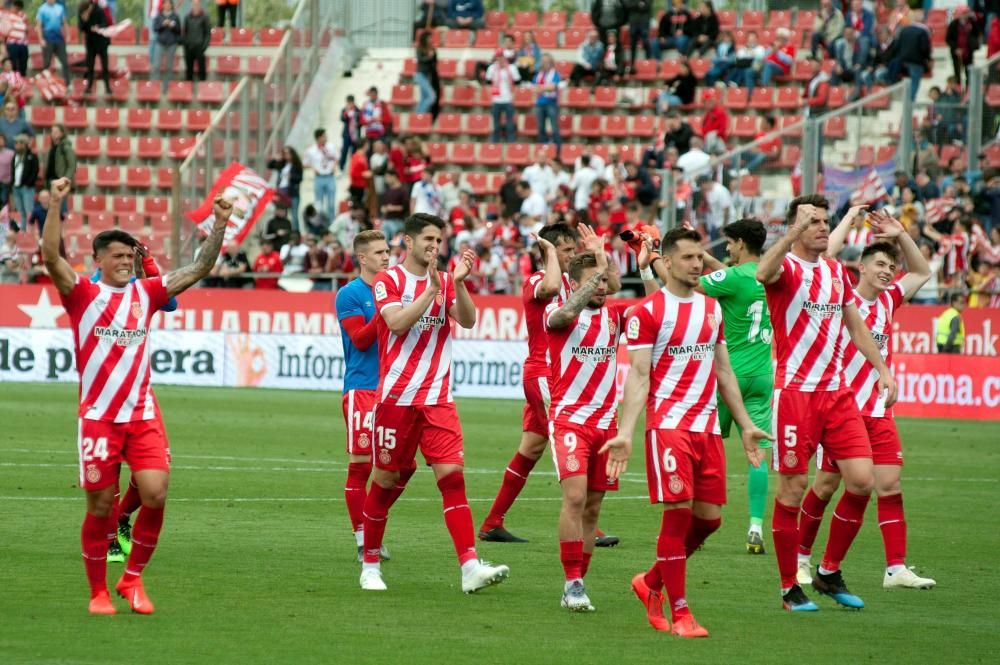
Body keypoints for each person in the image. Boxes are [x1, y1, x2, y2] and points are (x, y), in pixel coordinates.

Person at [41, 176, 233, 615]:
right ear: (100, 260)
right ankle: (97, 592)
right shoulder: (82, 294)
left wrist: (218, 225)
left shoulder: (145, 294)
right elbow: (51, 256)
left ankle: (131, 579)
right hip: (98, 418)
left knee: (156, 493)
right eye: (119, 256)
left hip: (142, 413)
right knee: (102, 505)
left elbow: (198, 269)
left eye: (131, 255)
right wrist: (55, 203)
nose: (128, 262)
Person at [602, 227, 771, 636]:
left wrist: (747, 426)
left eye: (701, 257)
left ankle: (650, 582)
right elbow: (639, 376)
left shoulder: (711, 310)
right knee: (677, 517)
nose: (698, 264)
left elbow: (724, 370)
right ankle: (681, 612)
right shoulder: (646, 313)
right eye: (690, 258)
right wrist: (626, 430)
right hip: (669, 427)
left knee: (709, 521)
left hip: (707, 428)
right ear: (669, 262)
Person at [756, 195, 898, 612]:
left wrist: (883, 371)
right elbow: (763, 270)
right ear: (796, 226)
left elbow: (856, 327)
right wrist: (792, 230)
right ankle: (788, 588)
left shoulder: (837, 272)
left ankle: (829, 571)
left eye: (824, 221)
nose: (822, 227)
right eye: (813, 222)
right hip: (795, 394)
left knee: (861, 481)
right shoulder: (786, 270)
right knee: (793, 490)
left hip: (837, 395)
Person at [359, 213, 510, 592]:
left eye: (439, 240)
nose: (434, 246)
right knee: (386, 479)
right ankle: (371, 564)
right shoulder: (388, 280)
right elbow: (396, 323)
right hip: (396, 399)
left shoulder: (444, 281)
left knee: (452, 477)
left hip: (438, 398)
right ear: (407, 242)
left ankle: (469, 566)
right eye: (427, 239)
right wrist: (430, 290)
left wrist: (456, 285)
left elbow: (469, 320)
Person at [795, 208, 936, 590]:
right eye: (880, 264)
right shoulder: (838, 296)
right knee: (825, 486)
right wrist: (847, 222)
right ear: (861, 267)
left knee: (888, 484)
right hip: (843, 410)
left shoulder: (890, 299)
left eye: (891, 266)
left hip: (878, 410)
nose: (889, 271)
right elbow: (819, 259)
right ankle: (801, 557)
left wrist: (900, 233)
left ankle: (895, 569)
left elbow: (923, 272)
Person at [478, 224, 578, 542]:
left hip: (558, 374)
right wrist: (549, 253)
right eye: (566, 250)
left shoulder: (570, 284)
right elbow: (549, 288)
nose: (572, 255)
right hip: (544, 373)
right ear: (548, 250)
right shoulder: (538, 280)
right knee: (570, 441)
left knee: (531, 448)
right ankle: (586, 522)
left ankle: (493, 522)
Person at [694, 219, 774, 554]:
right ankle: (756, 525)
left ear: (740, 243)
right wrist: (703, 254)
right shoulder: (771, 276)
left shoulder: (733, 278)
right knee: (756, 453)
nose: (725, 249)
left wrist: (656, 258)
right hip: (762, 375)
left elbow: (685, 285)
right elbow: (729, 274)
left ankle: (691, 521)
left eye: (729, 243)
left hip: (730, 375)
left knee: (700, 447)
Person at [336, 230, 398, 559]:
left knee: (403, 467)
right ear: (363, 258)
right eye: (379, 252)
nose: (386, 257)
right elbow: (360, 339)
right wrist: (386, 310)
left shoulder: (396, 288)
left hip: (394, 388)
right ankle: (362, 538)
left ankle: (373, 518)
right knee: (361, 465)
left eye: (387, 251)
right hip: (362, 387)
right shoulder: (350, 294)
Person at [485, 51, 520, 143]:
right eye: (498, 57)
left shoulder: (512, 68)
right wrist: (490, 97)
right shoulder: (492, 68)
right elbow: (489, 84)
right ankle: (495, 144)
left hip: (508, 99)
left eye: (502, 57)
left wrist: (514, 96)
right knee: (496, 125)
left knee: (510, 124)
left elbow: (517, 83)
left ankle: (511, 143)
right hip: (496, 99)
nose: (500, 59)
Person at [78, 0, 111, 96]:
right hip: (90, 42)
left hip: (101, 41)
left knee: (105, 66)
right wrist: (85, 20)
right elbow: (81, 28)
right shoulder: (82, 12)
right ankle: (89, 86)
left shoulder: (99, 10)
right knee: (90, 65)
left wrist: (98, 27)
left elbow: (105, 23)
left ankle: (107, 87)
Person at [303, 128, 337, 220]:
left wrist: (334, 166)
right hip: (319, 178)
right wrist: (313, 167)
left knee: (331, 203)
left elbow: (336, 158)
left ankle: (331, 223)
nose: (326, 138)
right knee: (319, 203)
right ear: (319, 137)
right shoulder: (311, 150)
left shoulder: (331, 147)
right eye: (324, 136)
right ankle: (321, 223)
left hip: (330, 177)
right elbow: (305, 163)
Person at [267, 146, 303, 231]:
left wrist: (291, 177)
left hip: (292, 191)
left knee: (294, 214)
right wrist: (275, 159)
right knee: (282, 212)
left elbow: (300, 178)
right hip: (282, 191)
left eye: (288, 153)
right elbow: (270, 166)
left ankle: (295, 232)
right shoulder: (282, 164)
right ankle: (285, 231)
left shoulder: (296, 164)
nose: (286, 155)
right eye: (284, 153)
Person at [946, 6, 980, 90]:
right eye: (963, 13)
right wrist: (956, 48)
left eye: (966, 13)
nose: (965, 15)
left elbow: (977, 33)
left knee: (968, 73)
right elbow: (948, 39)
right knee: (957, 72)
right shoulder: (953, 24)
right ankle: (958, 90)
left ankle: (969, 90)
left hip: (968, 52)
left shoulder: (972, 23)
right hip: (957, 53)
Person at [533, 54, 561, 157]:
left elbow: (553, 87)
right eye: (543, 62)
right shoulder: (538, 75)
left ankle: (558, 152)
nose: (544, 64)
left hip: (551, 103)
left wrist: (541, 88)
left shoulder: (555, 74)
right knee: (540, 128)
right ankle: (542, 152)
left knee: (554, 128)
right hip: (540, 104)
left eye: (547, 62)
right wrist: (545, 87)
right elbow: (535, 88)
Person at [37, 0, 71, 83]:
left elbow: (64, 22)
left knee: (65, 62)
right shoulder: (42, 9)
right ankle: (45, 83)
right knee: (47, 63)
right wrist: (41, 39)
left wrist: (68, 35)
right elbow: (39, 25)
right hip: (48, 39)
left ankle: (67, 83)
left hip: (59, 39)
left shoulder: (60, 8)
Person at [45, 125, 75, 214]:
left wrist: (65, 179)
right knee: (51, 208)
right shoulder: (51, 148)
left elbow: (72, 165)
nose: (53, 134)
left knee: (62, 208)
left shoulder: (66, 147)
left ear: (62, 133)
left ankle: (63, 227)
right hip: (51, 180)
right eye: (52, 132)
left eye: (56, 132)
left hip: (60, 180)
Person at [153, 1, 182, 94]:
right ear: (163, 5)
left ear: (171, 6)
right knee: (156, 66)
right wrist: (163, 24)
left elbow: (179, 30)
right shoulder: (159, 16)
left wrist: (172, 26)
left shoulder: (175, 16)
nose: (167, 5)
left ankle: (167, 89)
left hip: (171, 43)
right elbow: (155, 28)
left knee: (169, 67)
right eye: (166, 4)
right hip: (160, 43)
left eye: (169, 4)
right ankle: (155, 87)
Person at [10, 133, 37, 224]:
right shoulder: (15, 156)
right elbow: (13, 171)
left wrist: (28, 184)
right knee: (21, 213)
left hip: (27, 188)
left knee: (29, 211)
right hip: (16, 187)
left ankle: (30, 232)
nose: (15, 145)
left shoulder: (32, 157)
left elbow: (34, 172)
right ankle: (23, 232)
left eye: (17, 143)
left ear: (23, 144)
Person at [182, 0, 212, 83]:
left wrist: (204, 46)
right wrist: (186, 44)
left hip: (200, 47)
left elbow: (207, 33)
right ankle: (188, 90)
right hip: (188, 48)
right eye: (194, 4)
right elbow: (185, 32)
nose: (195, 6)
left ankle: (203, 89)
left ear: (200, 5)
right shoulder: (187, 17)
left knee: (202, 70)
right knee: (189, 70)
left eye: (197, 4)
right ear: (191, 5)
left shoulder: (205, 17)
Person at [414, 30, 438, 115]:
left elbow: (434, 63)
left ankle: (417, 117)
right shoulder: (419, 48)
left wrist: (433, 55)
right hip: (420, 75)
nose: (431, 39)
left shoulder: (432, 49)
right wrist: (429, 56)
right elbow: (421, 60)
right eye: (429, 38)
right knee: (431, 97)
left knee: (423, 98)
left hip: (427, 76)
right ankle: (420, 115)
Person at [624, 0, 654, 65]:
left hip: (644, 22)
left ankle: (648, 61)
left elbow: (647, 5)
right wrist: (638, 4)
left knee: (646, 41)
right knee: (633, 43)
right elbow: (628, 5)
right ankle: (632, 63)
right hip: (633, 22)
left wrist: (635, 5)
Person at [4, 1, 30, 76]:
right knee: (13, 63)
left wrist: (23, 29)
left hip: (23, 44)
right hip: (12, 44)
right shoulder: (7, 15)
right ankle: (13, 80)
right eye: (14, 6)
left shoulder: (23, 15)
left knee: (23, 63)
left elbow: (27, 28)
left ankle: (22, 80)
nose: (16, 8)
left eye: (17, 7)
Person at [348, 137, 372, 211]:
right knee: (357, 207)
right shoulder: (356, 157)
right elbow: (352, 173)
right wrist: (363, 174)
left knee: (361, 206)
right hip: (357, 186)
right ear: (365, 145)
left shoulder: (363, 156)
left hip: (362, 185)